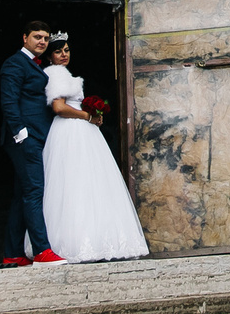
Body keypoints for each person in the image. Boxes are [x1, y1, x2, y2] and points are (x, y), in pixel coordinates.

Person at [38, 34, 148, 261]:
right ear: (50, 56)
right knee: (77, 180)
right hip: (70, 130)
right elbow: (59, 107)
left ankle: (89, 236)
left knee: (84, 180)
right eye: (59, 51)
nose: (64, 55)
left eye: (67, 50)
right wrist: (87, 116)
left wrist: (91, 115)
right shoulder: (55, 73)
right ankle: (78, 240)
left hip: (79, 129)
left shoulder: (63, 73)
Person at [0, 23, 64, 265]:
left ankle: (12, 253)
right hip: (26, 138)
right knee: (34, 192)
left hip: (37, 136)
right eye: (37, 37)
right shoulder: (15, 63)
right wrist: (20, 133)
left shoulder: (38, 66)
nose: (42, 42)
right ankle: (42, 251)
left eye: (45, 38)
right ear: (24, 38)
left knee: (22, 194)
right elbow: (9, 100)